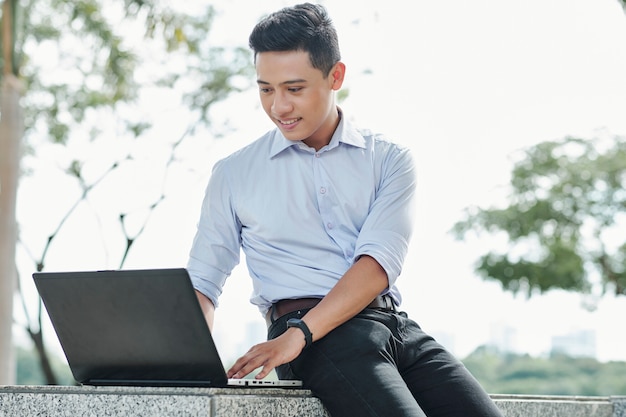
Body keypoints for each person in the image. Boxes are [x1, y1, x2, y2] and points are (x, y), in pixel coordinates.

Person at [187, 3, 503, 416]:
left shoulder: (388, 159)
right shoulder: (234, 174)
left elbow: (377, 264)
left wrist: (299, 334)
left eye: (294, 89)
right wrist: (187, 365)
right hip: (316, 339)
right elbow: (204, 282)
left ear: (335, 76)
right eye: (266, 89)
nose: (278, 106)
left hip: (394, 327)